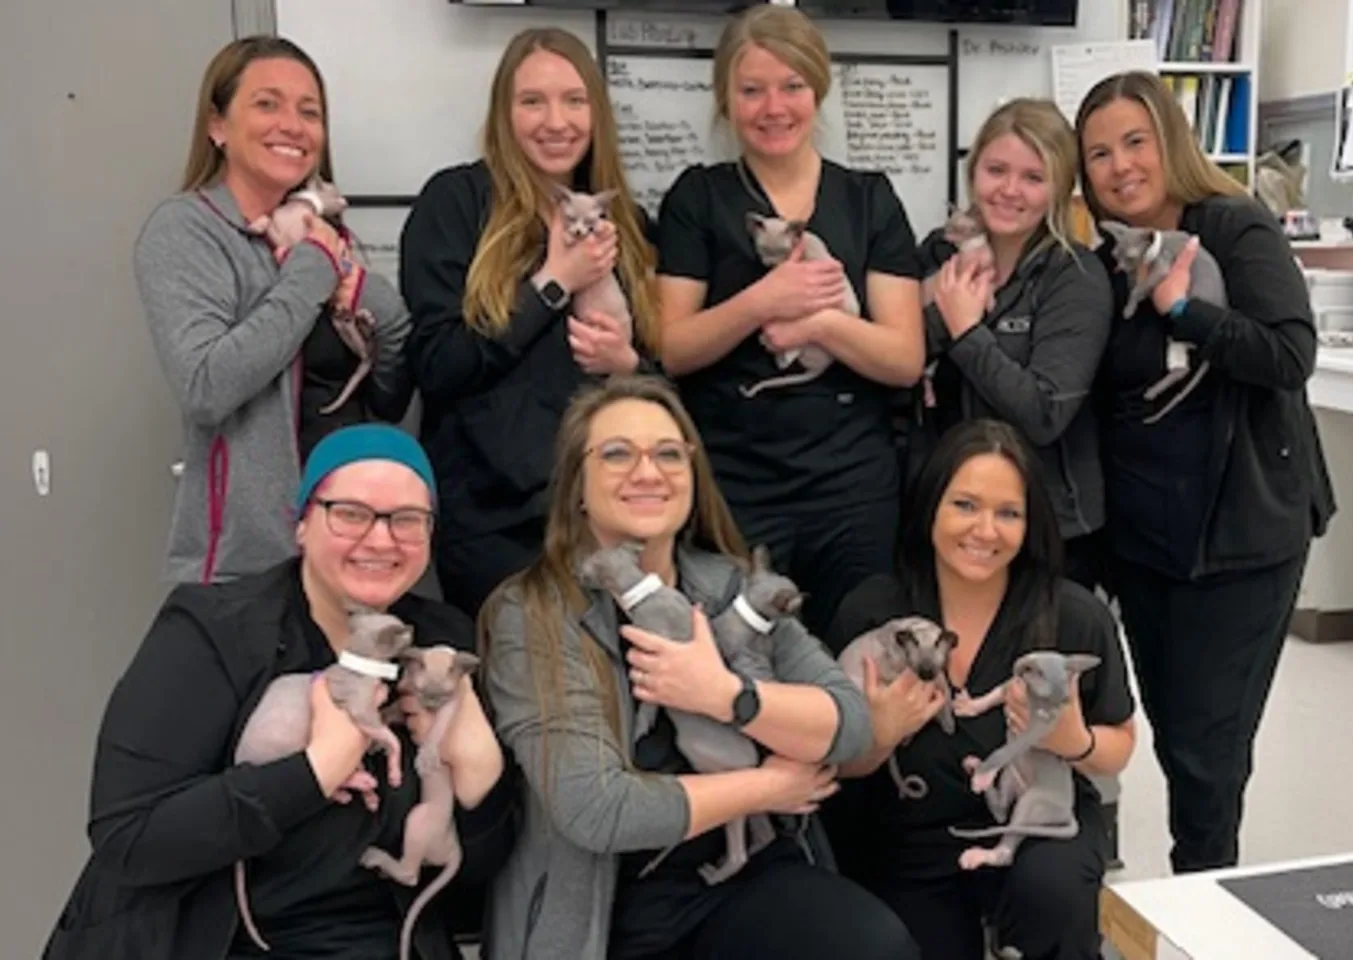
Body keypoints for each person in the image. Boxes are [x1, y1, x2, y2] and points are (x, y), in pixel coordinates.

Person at [481, 375, 920, 960]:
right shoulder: (532, 612)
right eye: (616, 454)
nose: (648, 471)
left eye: (668, 453)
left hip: (752, 876)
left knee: (871, 944)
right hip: (614, 904)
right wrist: (764, 787)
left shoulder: (732, 584)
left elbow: (850, 724)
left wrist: (725, 695)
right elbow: (595, 810)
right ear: (577, 488)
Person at [42, 424, 516, 960]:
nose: (381, 539)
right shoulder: (215, 631)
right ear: (302, 524)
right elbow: (130, 838)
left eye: (407, 519)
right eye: (351, 513)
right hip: (228, 942)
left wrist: (481, 773)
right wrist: (314, 771)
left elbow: (474, 882)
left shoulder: (441, 643)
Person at [1074, 70, 1336, 874]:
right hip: (1147, 540)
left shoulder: (1234, 228)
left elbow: (1291, 356)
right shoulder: (1105, 260)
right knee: (1174, 734)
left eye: (1135, 142)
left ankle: (1205, 909)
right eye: (1098, 154)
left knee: (1206, 756)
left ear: (1170, 142)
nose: (1120, 167)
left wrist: (1187, 311)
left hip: (1240, 536)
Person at [654, 5, 925, 641]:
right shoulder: (698, 197)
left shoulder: (868, 199)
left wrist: (818, 325)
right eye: (751, 90)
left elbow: (904, 356)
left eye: (792, 87)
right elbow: (672, 347)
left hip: (853, 488)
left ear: (818, 89)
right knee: (740, 666)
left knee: (859, 665)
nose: (773, 107)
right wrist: (764, 299)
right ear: (726, 98)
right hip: (736, 485)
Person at [826, 419, 1136, 960]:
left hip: (1041, 827)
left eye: (1008, 513)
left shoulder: (1073, 616)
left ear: (1032, 522)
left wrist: (1074, 741)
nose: (984, 531)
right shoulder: (872, 611)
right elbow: (829, 764)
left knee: (1053, 896)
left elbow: (1119, 747)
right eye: (965, 505)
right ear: (930, 508)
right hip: (910, 838)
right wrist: (877, 739)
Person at [399, 27, 661, 618]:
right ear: (503, 113)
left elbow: (664, 387)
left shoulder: (630, 223)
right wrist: (554, 282)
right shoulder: (455, 203)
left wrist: (629, 366)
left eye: (574, 100)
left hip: (607, 514)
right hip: (493, 523)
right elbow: (438, 366)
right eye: (532, 102)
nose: (556, 121)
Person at [135, 36, 414, 585]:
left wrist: (357, 288)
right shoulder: (185, 230)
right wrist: (312, 269)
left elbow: (391, 389)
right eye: (267, 104)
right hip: (248, 565)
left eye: (309, 112)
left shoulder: (332, 238)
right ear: (217, 126)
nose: (292, 124)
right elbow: (207, 386)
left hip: (355, 551)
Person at [915, 97, 1114, 591]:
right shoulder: (938, 254)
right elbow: (899, 363)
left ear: (1060, 187)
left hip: (1047, 528)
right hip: (948, 517)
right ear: (973, 172)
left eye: (1032, 177)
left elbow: (1044, 413)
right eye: (995, 170)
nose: (1009, 190)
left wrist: (965, 331)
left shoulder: (1075, 275)